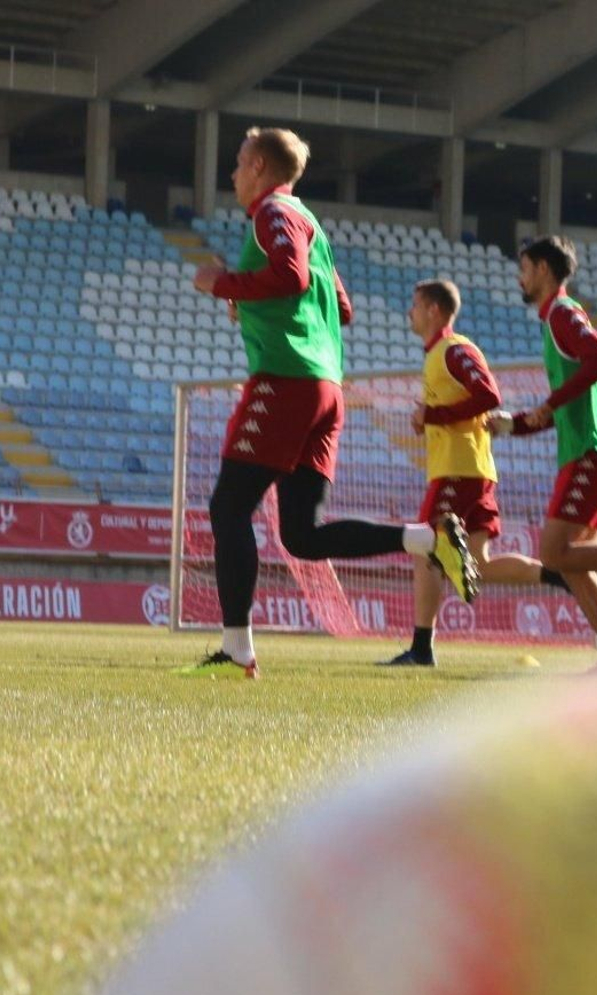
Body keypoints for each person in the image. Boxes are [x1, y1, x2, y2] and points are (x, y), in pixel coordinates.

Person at [181, 126, 474, 679]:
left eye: (241, 162)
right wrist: (252, 299)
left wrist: (223, 283)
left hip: (285, 382)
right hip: (326, 388)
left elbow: (290, 277)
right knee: (302, 535)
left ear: (263, 166)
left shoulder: (271, 213)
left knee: (228, 508)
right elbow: (340, 308)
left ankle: (237, 648)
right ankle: (428, 538)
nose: (234, 173)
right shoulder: (310, 222)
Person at [488, 235, 597, 671]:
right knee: (573, 564)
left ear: (545, 271)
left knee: (554, 553)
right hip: (585, 451)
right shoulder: (556, 320)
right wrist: (518, 423)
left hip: (593, 452)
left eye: (525, 268)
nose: (520, 276)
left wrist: (548, 405)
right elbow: (568, 397)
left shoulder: (564, 314)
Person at [383, 280, 576, 667]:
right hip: (470, 470)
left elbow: (488, 395)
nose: (410, 312)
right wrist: (428, 418)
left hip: (460, 470)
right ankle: (560, 575)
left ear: (435, 310)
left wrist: (433, 415)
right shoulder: (438, 354)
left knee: (424, 550)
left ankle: (421, 649)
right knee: (479, 563)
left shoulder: (454, 349)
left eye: (416, 305)